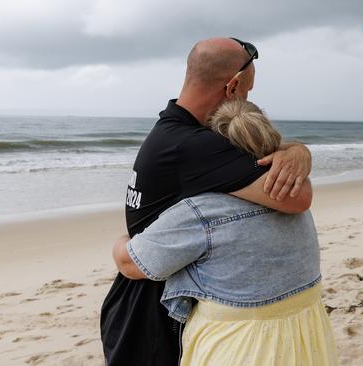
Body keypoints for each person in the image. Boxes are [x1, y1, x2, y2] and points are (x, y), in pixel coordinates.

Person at [100, 37, 314, 366]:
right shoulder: (195, 147)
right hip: (149, 311)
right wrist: (296, 154)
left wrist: (298, 151)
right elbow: (297, 196)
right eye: (247, 91)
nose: (245, 99)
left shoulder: (171, 132)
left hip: (139, 295)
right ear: (233, 86)